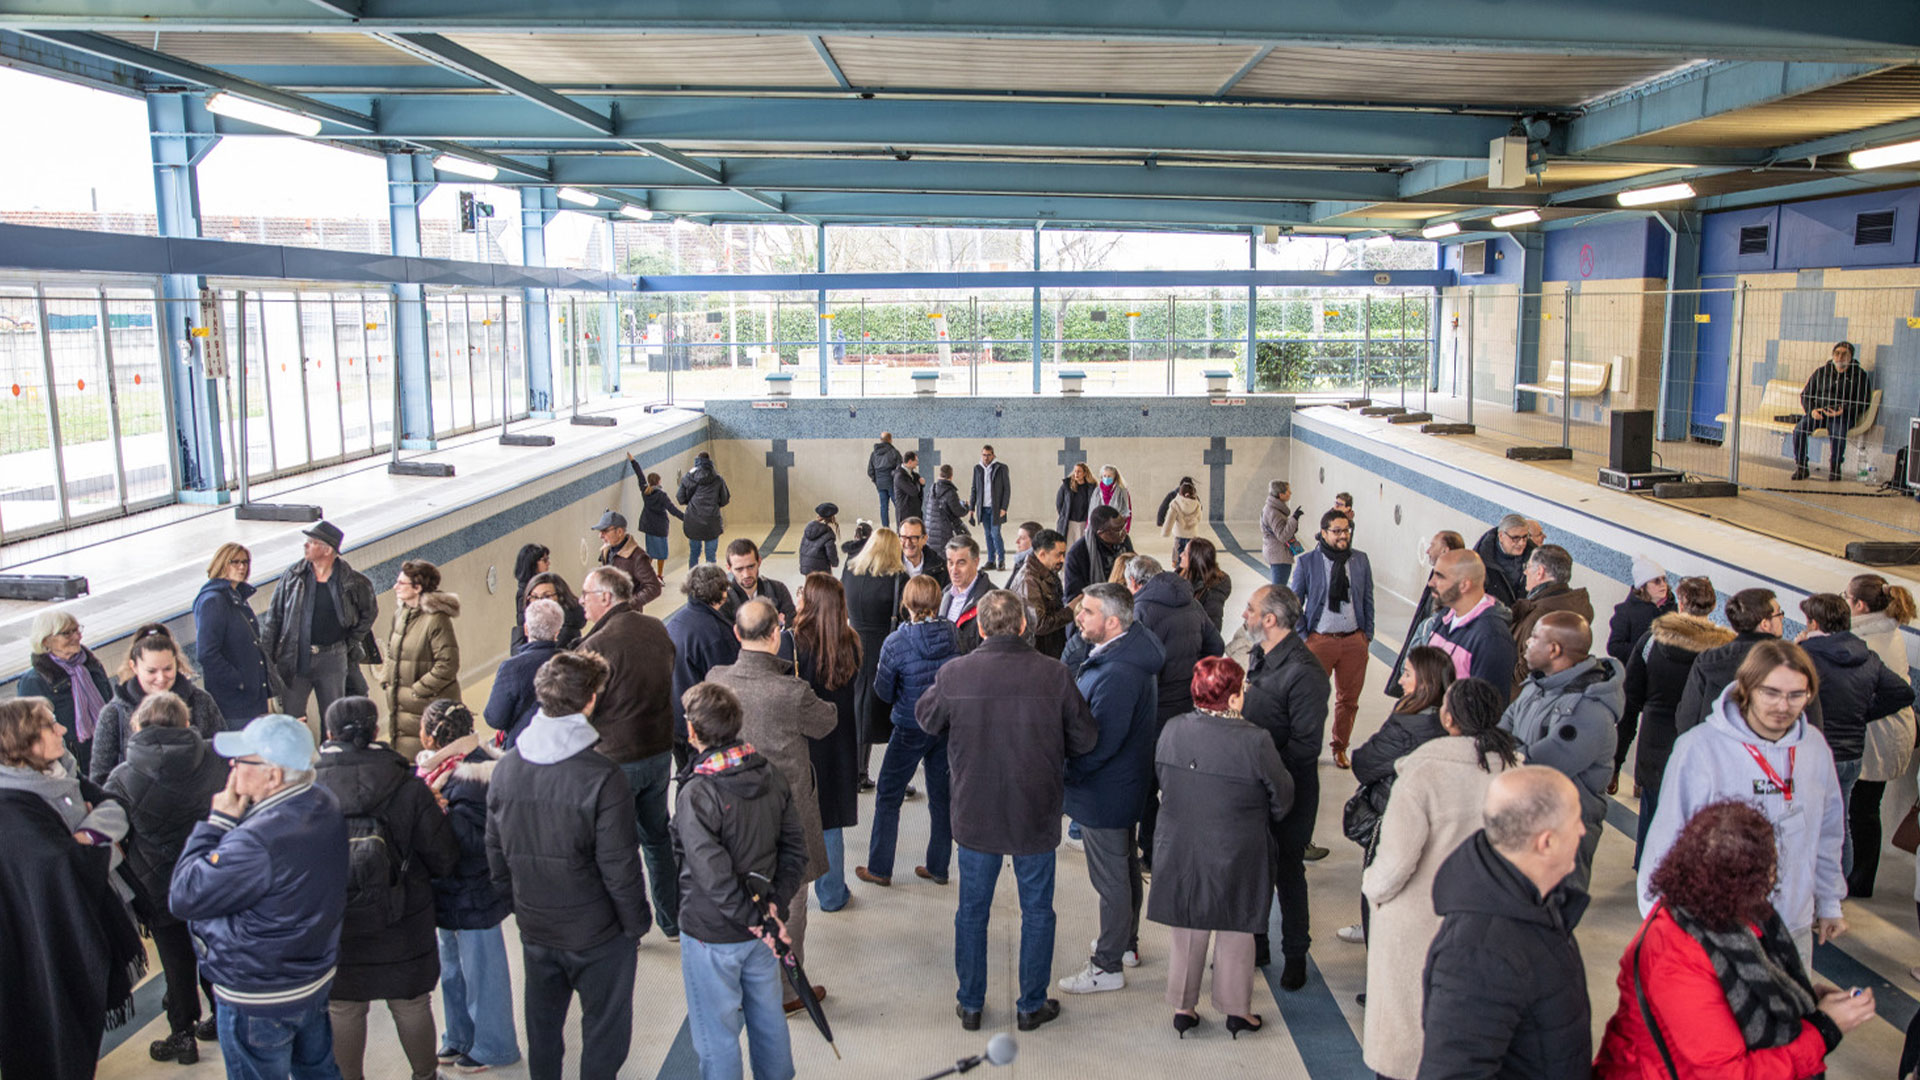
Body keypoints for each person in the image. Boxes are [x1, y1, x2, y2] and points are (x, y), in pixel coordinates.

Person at [918, 589, 1097, 1032]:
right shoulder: (1054, 675)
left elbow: (926, 718)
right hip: (1034, 812)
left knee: (972, 912)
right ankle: (1031, 1005)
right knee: (1037, 911)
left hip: (975, 812)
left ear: (979, 627)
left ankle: (972, 1004)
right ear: (1023, 626)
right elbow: (1085, 738)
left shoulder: (956, 673)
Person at [1597, 800, 1874, 1080]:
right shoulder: (1674, 954)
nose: (1773, 877)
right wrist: (1824, 1029)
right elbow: (1727, 1074)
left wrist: (1801, 1000)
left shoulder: (1732, 914)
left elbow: (1733, 998)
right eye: (1767, 867)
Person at [487, 650, 652, 1080]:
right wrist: (635, 923)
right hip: (598, 933)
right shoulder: (602, 776)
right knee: (604, 1030)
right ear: (590, 702)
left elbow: (495, 851)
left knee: (542, 1031)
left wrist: (518, 904)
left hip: (536, 927)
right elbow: (620, 864)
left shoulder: (506, 769)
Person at [1641, 641, 1847, 972]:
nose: (1784, 705)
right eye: (1771, 692)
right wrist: (1657, 917)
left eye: (1797, 695)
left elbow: (1828, 830)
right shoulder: (1701, 748)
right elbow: (1668, 839)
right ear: (1746, 688)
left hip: (1792, 921)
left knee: (1791, 1018)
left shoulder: (1813, 747)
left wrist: (1829, 901)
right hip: (1721, 927)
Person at [170, 713, 350, 1080]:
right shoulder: (323, 801)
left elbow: (184, 894)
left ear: (274, 775)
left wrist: (218, 821)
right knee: (318, 1071)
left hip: (259, 996)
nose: (232, 768)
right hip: (311, 977)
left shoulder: (257, 842)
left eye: (242, 761)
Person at [1362, 678, 1518, 1080]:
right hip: (1488, 918)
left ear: (1448, 719)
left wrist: (1372, 891)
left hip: (1419, 921)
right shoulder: (1517, 771)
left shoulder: (1423, 773)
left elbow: (1395, 864)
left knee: (1408, 1033)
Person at [0, 697, 147, 1080]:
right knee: (63, 1036)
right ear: (23, 742)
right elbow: (58, 867)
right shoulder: (11, 807)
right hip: (48, 942)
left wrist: (86, 834)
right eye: (50, 725)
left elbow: (113, 806)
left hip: (90, 909)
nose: (63, 729)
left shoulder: (60, 771)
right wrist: (97, 838)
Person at [313, 698, 458, 1080]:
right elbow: (444, 858)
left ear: (328, 735)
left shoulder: (310, 791)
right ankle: (426, 1075)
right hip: (404, 918)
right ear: (376, 731)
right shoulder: (408, 786)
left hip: (336, 922)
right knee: (410, 1002)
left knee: (344, 1005)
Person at [1147, 657, 1292, 1040]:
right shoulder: (1255, 740)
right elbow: (1283, 796)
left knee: (1189, 923)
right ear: (1230, 699)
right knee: (1236, 925)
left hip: (1181, 842)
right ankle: (1236, 1011)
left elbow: (1163, 777)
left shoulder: (1173, 729)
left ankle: (1183, 1007)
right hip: (1237, 845)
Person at [706, 599, 840, 1011]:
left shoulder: (716, 680)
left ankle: (742, 982)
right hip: (787, 814)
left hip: (732, 811)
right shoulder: (791, 691)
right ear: (775, 634)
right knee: (792, 897)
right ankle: (786, 989)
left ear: (736, 634)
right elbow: (827, 721)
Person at [1417, 766, 1591, 1080]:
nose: (1582, 831)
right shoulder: (1477, 953)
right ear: (1546, 842)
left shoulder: (1537, 902)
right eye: (1576, 820)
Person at [673, 683, 809, 1080]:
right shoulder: (770, 772)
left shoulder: (697, 793)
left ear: (694, 731)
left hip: (711, 932)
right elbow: (794, 851)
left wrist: (753, 918)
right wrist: (772, 910)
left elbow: (711, 876)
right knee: (769, 1024)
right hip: (763, 927)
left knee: (717, 1037)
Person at [104, 690, 230, 1065]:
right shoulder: (216, 757)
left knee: (175, 962)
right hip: (213, 874)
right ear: (186, 723)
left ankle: (182, 1035)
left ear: (138, 726)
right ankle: (221, 1015)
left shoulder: (123, 777)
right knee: (213, 949)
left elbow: (115, 832)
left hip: (159, 886)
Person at [1058, 583, 1164, 995]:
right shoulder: (1127, 652)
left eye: (1087, 611)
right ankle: (1126, 945)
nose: (1078, 617)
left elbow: (1099, 743)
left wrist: (1068, 771)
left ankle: (1107, 965)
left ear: (1113, 622)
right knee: (1123, 869)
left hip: (1105, 790)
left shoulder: (1119, 673)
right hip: (1123, 784)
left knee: (1111, 880)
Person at [577, 565, 682, 939]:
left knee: (616, 848)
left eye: (586, 595)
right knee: (657, 836)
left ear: (606, 597)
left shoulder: (594, 646)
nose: (581, 602)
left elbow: (582, 709)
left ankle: (630, 926)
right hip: (658, 751)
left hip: (616, 760)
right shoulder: (655, 628)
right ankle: (672, 920)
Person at [415, 702, 518, 1072]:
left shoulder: (472, 774)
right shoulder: (444, 767)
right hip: (451, 891)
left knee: (483, 974)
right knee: (455, 970)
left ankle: (494, 1045)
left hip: (474, 892)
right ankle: (459, 1035)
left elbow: (478, 841)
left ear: (434, 735)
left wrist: (436, 813)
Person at [1240, 584, 1331, 989]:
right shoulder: (1262, 654)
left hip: (1289, 789)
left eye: (1250, 609)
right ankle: (1257, 944)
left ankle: (1295, 953)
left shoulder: (1304, 673)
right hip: (1257, 784)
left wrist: (1265, 768)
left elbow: (1305, 747)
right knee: (1256, 869)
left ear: (1270, 620)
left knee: (1288, 873)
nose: (1245, 615)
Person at [1338, 645, 1457, 945]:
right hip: (1436, 822)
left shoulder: (1409, 724)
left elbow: (1364, 763)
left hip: (1392, 818)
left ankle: (1378, 973)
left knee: (1381, 892)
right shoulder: (1450, 722)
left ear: (1426, 684)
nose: (1400, 681)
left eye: (1406, 674)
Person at [1794, 592, 1912, 878]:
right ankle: (1837, 892)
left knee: (1807, 824)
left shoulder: (1807, 657)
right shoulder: (1867, 656)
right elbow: (1903, 692)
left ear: (1812, 623)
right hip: (1852, 756)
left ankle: (1812, 893)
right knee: (1841, 824)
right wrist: (1863, 713)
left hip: (1818, 752)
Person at [1501, 610, 1620, 889]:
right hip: (1526, 821)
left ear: (1554, 649)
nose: (1527, 643)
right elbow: (1500, 729)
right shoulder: (1537, 685)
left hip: (1562, 834)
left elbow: (1538, 767)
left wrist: (1512, 749)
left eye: (1534, 638)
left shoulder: (1587, 711)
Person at [861, 574, 960, 888]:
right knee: (941, 797)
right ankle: (939, 867)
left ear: (906, 604)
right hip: (944, 725)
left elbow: (884, 691)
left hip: (908, 725)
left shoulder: (896, 642)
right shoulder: (953, 633)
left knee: (889, 796)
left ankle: (880, 868)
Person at [1623, 577, 1730, 864]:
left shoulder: (1651, 642)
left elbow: (1631, 696)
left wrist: (1619, 753)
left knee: (1654, 807)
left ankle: (1646, 866)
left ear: (1680, 602)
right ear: (1713, 605)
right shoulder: (1723, 652)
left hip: (1656, 739)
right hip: (1704, 745)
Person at [259, 519, 378, 732]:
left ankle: (331, 758)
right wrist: (267, 659)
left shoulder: (353, 582)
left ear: (327, 550)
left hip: (332, 657)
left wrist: (349, 642)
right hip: (295, 657)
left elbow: (369, 613)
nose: (306, 545)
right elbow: (274, 618)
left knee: (333, 718)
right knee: (291, 720)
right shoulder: (293, 576)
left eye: (312, 542)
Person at [792, 573, 864, 914]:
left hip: (805, 740)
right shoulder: (849, 641)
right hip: (841, 738)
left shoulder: (795, 643)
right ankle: (833, 893)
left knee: (801, 815)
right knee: (831, 818)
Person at [1844, 573, 1917, 897]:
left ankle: (1859, 880)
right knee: (1863, 807)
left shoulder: (1866, 640)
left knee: (1862, 809)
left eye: (1847, 598)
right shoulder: (1884, 629)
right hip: (1884, 732)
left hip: (1879, 736)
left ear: (1860, 605)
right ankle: (1857, 876)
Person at [90, 623, 226, 785]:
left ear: (177, 662)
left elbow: (222, 754)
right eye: (151, 671)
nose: (161, 678)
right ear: (134, 666)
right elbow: (100, 777)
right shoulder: (113, 714)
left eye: (168, 669)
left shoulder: (201, 701)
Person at [1675, 588, 1823, 734]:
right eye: (1779, 615)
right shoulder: (1794, 662)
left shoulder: (1709, 659)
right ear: (1765, 624)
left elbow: (1687, 718)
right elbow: (1812, 727)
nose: (1782, 619)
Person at [1292, 509, 1374, 769]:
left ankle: (1340, 748)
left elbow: (1368, 599)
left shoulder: (1360, 560)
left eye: (1346, 530)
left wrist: (1366, 635)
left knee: (1348, 700)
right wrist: (1305, 636)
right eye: (1337, 531)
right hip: (1319, 640)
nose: (1343, 535)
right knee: (1312, 696)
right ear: (1324, 532)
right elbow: (1295, 603)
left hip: (1353, 641)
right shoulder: (1307, 562)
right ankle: (1307, 747)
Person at [843, 527, 912, 792]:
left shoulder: (850, 571)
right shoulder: (898, 578)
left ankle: (859, 772)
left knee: (859, 707)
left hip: (853, 644)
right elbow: (905, 615)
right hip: (886, 646)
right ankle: (897, 777)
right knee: (894, 709)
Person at [377, 559, 462, 762]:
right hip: (403, 709)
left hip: (425, 707)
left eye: (401, 583)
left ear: (418, 587)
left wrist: (417, 691)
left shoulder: (436, 619)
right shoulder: (401, 614)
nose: (395, 587)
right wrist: (386, 678)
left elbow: (448, 664)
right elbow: (392, 652)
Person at [18, 609, 118, 778]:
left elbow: (111, 704)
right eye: (67, 633)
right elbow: (32, 734)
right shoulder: (34, 681)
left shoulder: (91, 665)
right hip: (76, 764)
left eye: (77, 630)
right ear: (46, 640)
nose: (77, 637)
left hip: (112, 750)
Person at [666, 565, 741, 770]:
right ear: (722, 592)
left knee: (685, 777)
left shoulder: (675, 622)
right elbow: (727, 682)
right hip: (702, 725)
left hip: (675, 719)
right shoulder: (715, 633)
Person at [195, 542, 274, 726]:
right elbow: (206, 653)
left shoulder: (235, 595)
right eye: (235, 562)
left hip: (252, 698)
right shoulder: (214, 601)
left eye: (245, 562)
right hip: (234, 704)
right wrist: (240, 681)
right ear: (222, 563)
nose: (241, 567)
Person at [1386, 531, 1468, 698]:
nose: (1427, 550)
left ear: (1445, 551)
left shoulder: (1453, 583)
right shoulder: (1440, 576)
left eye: (1432, 545)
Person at [1507, 544, 1593, 696]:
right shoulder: (1575, 607)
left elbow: (1523, 673)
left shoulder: (1540, 617)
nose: (1526, 571)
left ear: (1539, 572)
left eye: (1528, 566)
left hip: (1522, 700)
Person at [1426, 549, 1517, 689]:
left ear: (1464, 585)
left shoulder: (1491, 638)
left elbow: (1484, 706)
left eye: (1440, 576)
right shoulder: (1445, 617)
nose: (1431, 583)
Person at [488, 598, 565, 749]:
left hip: (521, 747)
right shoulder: (569, 663)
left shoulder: (512, 667)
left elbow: (495, 718)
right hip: (560, 744)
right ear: (557, 632)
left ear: (526, 629)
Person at [1790, 340, 1872, 482]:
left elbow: (1864, 402)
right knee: (1799, 430)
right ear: (1833, 355)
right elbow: (1806, 395)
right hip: (1820, 413)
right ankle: (1802, 467)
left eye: (1844, 354)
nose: (1840, 357)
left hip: (1842, 415)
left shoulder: (1859, 375)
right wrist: (1812, 411)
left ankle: (1835, 468)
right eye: (1837, 353)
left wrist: (1844, 410)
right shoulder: (1821, 372)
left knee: (1838, 433)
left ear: (1851, 357)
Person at [1009, 527, 1074, 658]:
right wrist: (1071, 611)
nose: (1062, 560)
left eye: (1063, 554)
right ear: (1042, 554)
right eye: (1058, 554)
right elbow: (1039, 625)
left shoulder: (1047, 570)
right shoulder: (1028, 581)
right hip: (1037, 653)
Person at [1607, 555, 1675, 669]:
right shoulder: (1626, 611)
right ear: (1643, 587)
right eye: (1656, 581)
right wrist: (1644, 651)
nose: (1663, 584)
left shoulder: (1673, 609)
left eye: (1664, 579)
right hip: (1635, 674)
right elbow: (1614, 647)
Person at [593, 509, 665, 612]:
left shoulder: (637, 557)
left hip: (629, 617)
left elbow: (654, 587)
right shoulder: (606, 551)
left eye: (605, 531)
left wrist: (628, 604)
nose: (600, 536)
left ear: (619, 532)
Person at [630, 455, 685, 582]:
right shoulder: (662, 495)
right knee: (662, 554)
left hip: (649, 528)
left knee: (651, 553)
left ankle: (645, 574)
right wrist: (686, 518)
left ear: (649, 482)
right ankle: (659, 575)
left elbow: (640, 476)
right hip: (660, 528)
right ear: (659, 481)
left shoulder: (645, 492)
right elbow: (672, 510)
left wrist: (633, 461)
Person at [1065, 505, 1135, 603]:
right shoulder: (1077, 554)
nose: (1123, 532)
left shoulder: (1124, 541)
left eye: (1123, 526)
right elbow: (1073, 597)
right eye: (1117, 530)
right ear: (1101, 533)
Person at [720, 538, 797, 624]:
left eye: (751, 566)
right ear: (729, 568)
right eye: (739, 569)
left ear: (759, 562)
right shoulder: (723, 599)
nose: (746, 574)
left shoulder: (778, 589)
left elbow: (792, 625)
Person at [941, 536, 995, 655]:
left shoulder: (994, 601)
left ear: (976, 562)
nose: (954, 570)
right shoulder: (944, 594)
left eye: (961, 563)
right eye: (950, 563)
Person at [678, 451, 731, 567]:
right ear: (709, 461)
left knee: (694, 554)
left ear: (697, 461)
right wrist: (714, 505)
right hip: (712, 521)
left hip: (693, 520)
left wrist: (692, 503)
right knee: (711, 556)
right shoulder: (718, 479)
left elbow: (680, 498)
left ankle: (692, 580)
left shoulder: (688, 477)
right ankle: (711, 582)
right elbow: (725, 499)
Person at [1471, 513, 1535, 609]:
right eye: (1515, 538)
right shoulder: (1481, 559)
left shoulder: (1535, 555)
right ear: (1501, 536)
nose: (1522, 543)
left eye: (1525, 537)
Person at [970, 444, 1012, 569]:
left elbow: (1007, 489)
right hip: (983, 508)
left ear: (993, 455)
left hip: (996, 508)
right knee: (987, 534)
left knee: (995, 533)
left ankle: (1001, 560)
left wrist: (1004, 507)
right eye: (984, 455)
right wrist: (972, 508)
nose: (986, 457)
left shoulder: (1001, 468)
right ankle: (991, 560)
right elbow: (974, 489)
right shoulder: (977, 468)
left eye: (988, 455)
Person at [1176, 537, 1233, 631]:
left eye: (1185, 554)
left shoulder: (1213, 591)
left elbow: (1213, 628)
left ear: (1196, 560)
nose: (1181, 555)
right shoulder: (1181, 573)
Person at [523, 571, 588, 649]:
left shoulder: (567, 632)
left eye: (547, 596)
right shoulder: (528, 622)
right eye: (534, 597)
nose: (540, 602)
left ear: (561, 598)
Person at [1259, 480, 1302, 585]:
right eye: (1288, 491)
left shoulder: (1274, 509)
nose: (1290, 493)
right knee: (1279, 587)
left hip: (1276, 552)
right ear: (1281, 494)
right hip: (1279, 555)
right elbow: (1283, 536)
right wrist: (1294, 519)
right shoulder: (1273, 512)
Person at [509, 543, 551, 650]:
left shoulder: (542, 585)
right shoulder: (524, 592)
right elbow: (524, 622)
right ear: (532, 564)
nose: (548, 563)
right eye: (544, 560)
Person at [927, 462, 971, 556]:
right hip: (944, 530)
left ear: (940, 474)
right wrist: (966, 506)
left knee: (935, 557)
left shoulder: (933, 488)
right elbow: (959, 511)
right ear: (951, 476)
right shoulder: (950, 492)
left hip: (931, 529)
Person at [1160, 479, 1203, 565]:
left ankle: (1179, 568)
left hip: (1179, 534)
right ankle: (1189, 568)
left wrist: (1165, 532)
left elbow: (1169, 519)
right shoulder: (1197, 504)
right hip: (1192, 534)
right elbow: (1199, 518)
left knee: (1179, 551)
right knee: (1190, 553)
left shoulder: (1175, 503)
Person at [1057, 461, 1095, 547]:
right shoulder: (1067, 486)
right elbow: (1059, 503)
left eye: (1079, 471)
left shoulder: (1090, 487)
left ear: (1084, 473)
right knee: (1068, 547)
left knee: (1082, 547)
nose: (1076, 474)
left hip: (1084, 523)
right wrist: (1064, 515)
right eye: (1075, 471)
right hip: (1069, 522)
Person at [868, 431, 902, 527]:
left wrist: (876, 480)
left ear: (881, 440)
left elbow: (870, 471)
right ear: (890, 440)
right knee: (898, 506)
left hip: (880, 483)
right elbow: (900, 469)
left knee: (883, 507)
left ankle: (885, 529)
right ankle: (900, 528)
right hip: (892, 483)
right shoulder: (894, 452)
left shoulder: (874, 454)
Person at [797, 502, 841, 576]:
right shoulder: (828, 533)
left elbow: (802, 547)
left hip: (806, 567)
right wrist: (835, 563)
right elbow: (831, 553)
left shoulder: (809, 528)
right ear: (832, 517)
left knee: (810, 586)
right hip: (820, 569)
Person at [1094, 464, 1133, 534]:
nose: (1106, 478)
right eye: (1104, 476)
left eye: (1109, 476)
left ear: (1114, 477)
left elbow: (1127, 511)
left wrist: (1126, 529)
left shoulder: (1122, 491)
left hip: (1117, 529)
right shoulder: (1097, 491)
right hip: (1100, 529)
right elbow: (1092, 510)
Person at [893, 451, 926, 532]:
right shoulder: (900, 476)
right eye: (916, 461)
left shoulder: (913, 475)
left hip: (914, 511)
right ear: (910, 461)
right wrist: (919, 483)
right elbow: (913, 491)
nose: (917, 463)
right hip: (905, 513)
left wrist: (921, 484)